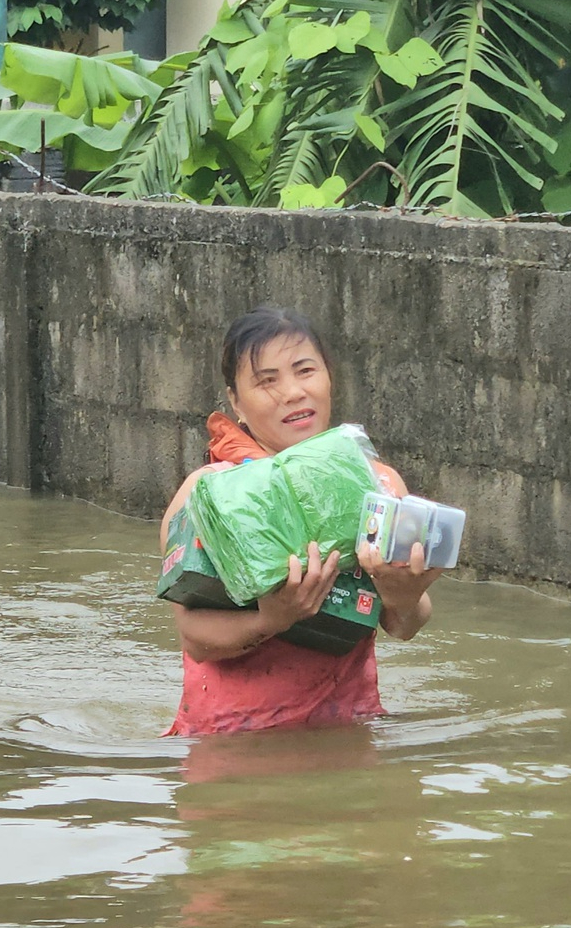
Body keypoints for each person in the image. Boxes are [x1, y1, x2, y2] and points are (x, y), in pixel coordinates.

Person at [161, 307, 441, 737]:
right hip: (232, 741)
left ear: (328, 377)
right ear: (236, 401)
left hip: (348, 730)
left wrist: (404, 593)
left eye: (305, 370)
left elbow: (404, 626)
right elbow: (193, 636)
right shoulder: (208, 496)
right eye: (267, 380)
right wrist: (271, 619)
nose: (293, 392)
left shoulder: (378, 485)